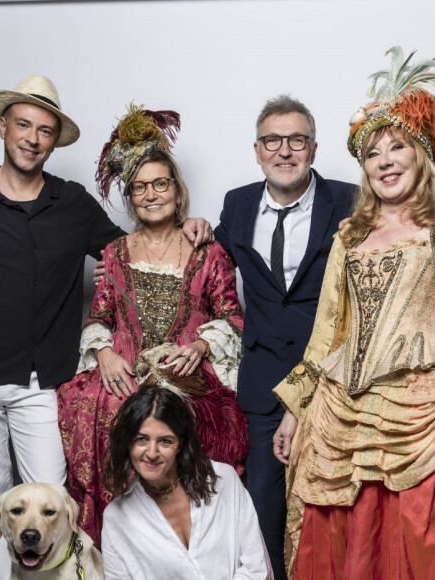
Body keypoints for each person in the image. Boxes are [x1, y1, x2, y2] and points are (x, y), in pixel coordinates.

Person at [272, 47, 435, 579]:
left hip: (428, 426)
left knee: (425, 554)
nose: (385, 160)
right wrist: (295, 411)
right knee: (353, 555)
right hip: (343, 423)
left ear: (422, 155)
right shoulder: (351, 237)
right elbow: (326, 337)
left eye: (398, 147)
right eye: (372, 153)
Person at [177, 94, 354, 579]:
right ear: (257, 150)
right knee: (264, 505)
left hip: (333, 379)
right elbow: (212, 263)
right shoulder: (236, 204)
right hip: (262, 382)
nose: (285, 150)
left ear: (314, 149)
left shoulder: (352, 198)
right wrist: (192, 224)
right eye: (272, 140)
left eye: (296, 139)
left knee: (332, 503)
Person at [57, 105, 248, 548]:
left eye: (160, 184)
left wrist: (200, 348)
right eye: (140, 187)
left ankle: (189, 546)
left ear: (177, 192)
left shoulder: (208, 251)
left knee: (188, 419)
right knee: (98, 409)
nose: (151, 194)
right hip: (123, 366)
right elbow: (99, 316)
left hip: (185, 371)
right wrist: (104, 352)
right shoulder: (115, 253)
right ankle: (119, 549)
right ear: (130, 197)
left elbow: (230, 316)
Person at [0, 75, 126, 579]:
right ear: (3, 126)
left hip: (39, 381)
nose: (32, 137)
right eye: (23, 125)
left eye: (44, 130)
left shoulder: (72, 203)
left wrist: (185, 229)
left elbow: (126, 258)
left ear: (54, 140)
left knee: (49, 508)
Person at [101, 386, 273, 579]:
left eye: (165, 441)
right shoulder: (116, 518)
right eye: (141, 439)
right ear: (127, 442)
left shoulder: (223, 480)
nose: (151, 453)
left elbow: (257, 567)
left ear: (180, 443)